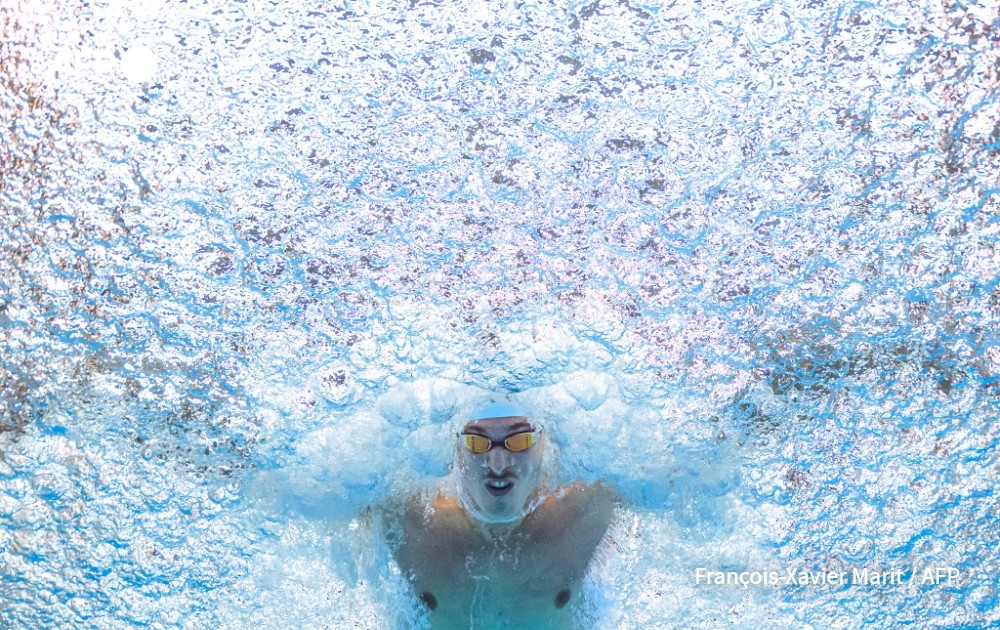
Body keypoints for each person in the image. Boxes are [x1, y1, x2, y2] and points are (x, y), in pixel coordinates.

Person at [387, 398, 618, 629]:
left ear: (543, 444)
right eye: (476, 442)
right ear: (456, 447)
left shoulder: (584, 511)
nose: (498, 466)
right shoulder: (410, 518)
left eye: (519, 441)